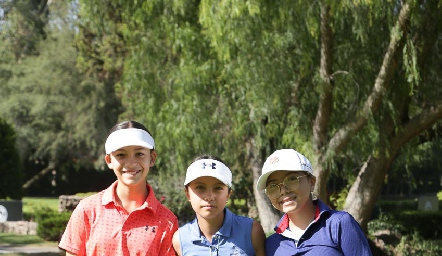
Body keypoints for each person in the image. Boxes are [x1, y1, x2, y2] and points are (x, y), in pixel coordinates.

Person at [58, 120, 178, 256]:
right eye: (121, 155)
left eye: (139, 154)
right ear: (109, 160)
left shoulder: (167, 221)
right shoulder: (88, 209)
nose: (131, 163)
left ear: (152, 158)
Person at [256, 149, 373, 256]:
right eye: (273, 186)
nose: (282, 191)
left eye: (291, 179)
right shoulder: (271, 245)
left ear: (311, 182)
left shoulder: (339, 225)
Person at [172, 155, 266, 256]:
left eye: (218, 188)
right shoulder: (180, 239)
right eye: (200, 187)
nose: (209, 197)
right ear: (187, 194)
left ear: (228, 194)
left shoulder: (251, 231)